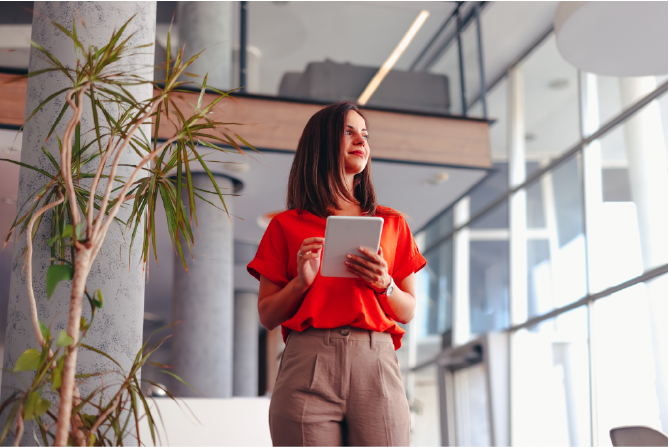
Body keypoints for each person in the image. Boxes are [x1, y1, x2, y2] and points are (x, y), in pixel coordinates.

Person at [247, 101, 426, 447]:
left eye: (365, 134)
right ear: (321, 142)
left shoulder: (392, 224)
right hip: (307, 364)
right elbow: (268, 315)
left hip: (376, 363)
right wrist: (302, 282)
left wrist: (383, 283)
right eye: (348, 131)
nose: (361, 140)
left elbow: (408, 310)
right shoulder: (285, 226)